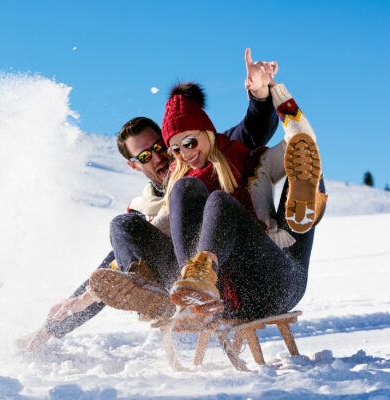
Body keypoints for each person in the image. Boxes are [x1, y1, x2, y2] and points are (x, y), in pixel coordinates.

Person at [17, 49, 280, 352]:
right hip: (175, 281)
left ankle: (189, 290)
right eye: (144, 156)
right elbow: (111, 272)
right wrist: (48, 330)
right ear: (134, 165)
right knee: (122, 226)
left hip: (228, 272)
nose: (158, 157)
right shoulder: (143, 210)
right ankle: (155, 294)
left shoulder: (204, 154)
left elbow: (253, 129)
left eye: (159, 147)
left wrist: (260, 94)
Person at [92, 71, 326, 326]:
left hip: (271, 278)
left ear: (208, 131)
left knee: (222, 200)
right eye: (176, 149)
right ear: (134, 165)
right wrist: (77, 303)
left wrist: (269, 91)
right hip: (224, 297)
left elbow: (299, 144)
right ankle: (179, 294)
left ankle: (305, 199)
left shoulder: (242, 154)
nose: (184, 153)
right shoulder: (177, 188)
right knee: (123, 224)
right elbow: (121, 252)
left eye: (190, 142)